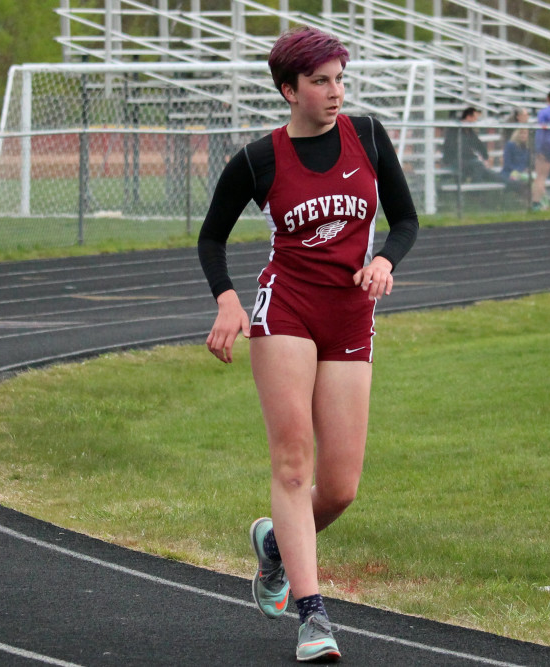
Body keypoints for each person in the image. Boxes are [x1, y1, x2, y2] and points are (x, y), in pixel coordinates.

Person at [197, 26, 418, 663]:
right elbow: (212, 239)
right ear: (289, 90)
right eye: (320, 81)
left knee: (341, 486)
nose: (334, 91)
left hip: (351, 315)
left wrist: (384, 258)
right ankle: (313, 614)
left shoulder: (369, 137)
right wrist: (227, 299)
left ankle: (273, 547)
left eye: (339, 79)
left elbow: (403, 219)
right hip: (285, 309)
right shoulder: (258, 159)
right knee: (294, 466)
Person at [441, 106, 504, 183]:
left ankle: (515, 185)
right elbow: (453, 150)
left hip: (469, 162)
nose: (476, 121)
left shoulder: (470, 132)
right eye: (475, 118)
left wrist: (485, 158)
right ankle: (475, 191)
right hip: (456, 161)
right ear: (468, 117)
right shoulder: (454, 130)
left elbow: (479, 145)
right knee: (478, 166)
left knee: (487, 171)